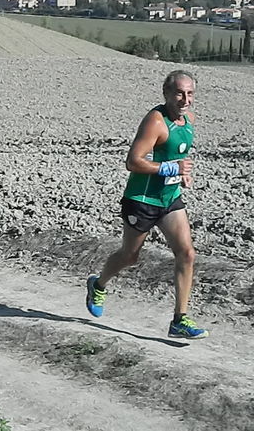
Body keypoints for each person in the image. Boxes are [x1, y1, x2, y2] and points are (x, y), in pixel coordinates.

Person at [86, 70, 208, 339]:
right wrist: (169, 168)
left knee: (187, 253)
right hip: (141, 200)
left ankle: (180, 319)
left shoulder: (188, 120)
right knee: (130, 257)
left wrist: (183, 173)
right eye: (179, 93)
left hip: (169, 199)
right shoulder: (156, 121)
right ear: (166, 94)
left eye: (190, 94)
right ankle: (99, 284)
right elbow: (133, 161)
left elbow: (179, 157)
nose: (185, 99)